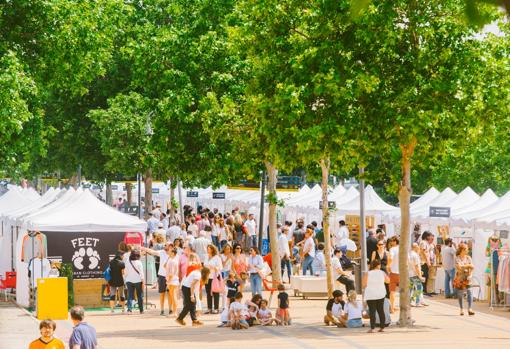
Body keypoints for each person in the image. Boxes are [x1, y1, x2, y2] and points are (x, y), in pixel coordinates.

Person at [142, 244, 173, 315]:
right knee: (162, 293)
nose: (165, 246)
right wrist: (144, 248)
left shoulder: (174, 254)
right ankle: (162, 310)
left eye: (166, 245)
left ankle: (170, 309)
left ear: (171, 247)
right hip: (162, 275)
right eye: (165, 245)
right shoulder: (162, 252)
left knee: (170, 294)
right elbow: (152, 252)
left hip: (171, 276)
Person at [363, 260, 389, 333]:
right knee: (381, 310)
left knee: (372, 311)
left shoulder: (367, 273)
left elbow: (363, 284)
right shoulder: (382, 273)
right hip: (381, 294)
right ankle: (382, 327)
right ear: (378, 265)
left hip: (371, 294)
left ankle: (372, 328)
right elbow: (388, 281)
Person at [455, 243, 475, 316]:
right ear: (462, 250)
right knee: (460, 294)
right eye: (466, 249)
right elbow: (459, 267)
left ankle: (470, 308)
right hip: (460, 278)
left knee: (470, 292)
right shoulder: (457, 258)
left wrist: (470, 274)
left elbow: (472, 267)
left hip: (468, 277)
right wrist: (468, 265)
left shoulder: (469, 258)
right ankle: (461, 309)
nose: (468, 250)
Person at [204, 244, 223, 314]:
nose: (207, 250)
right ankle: (209, 308)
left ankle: (216, 308)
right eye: (207, 248)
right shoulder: (206, 256)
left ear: (212, 249)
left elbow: (220, 267)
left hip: (214, 277)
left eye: (209, 249)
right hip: (207, 277)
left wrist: (214, 267)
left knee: (215, 292)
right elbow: (205, 265)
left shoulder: (217, 257)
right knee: (208, 293)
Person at [125, 250, 144, 314]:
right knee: (139, 295)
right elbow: (141, 273)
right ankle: (141, 310)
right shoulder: (139, 262)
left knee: (130, 295)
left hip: (129, 280)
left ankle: (129, 310)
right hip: (138, 281)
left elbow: (126, 272)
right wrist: (143, 281)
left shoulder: (128, 262)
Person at [409, 243, 427, 307]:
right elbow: (416, 266)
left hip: (409, 274)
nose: (419, 248)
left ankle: (411, 301)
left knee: (411, 289)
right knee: (419, 288)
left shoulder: (409, 254)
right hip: (415, 274)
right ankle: (417, 302)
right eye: (418, 247)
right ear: (415, 247)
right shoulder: (415, 255)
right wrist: (420, 276)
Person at [165, 247, 180, 316]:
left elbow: (171, 273)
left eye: (170, 252)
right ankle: (174, 312)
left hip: (172, 280)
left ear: (173, 253)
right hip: (173, 280)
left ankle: (175, 312)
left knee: (173, 296)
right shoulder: (172, 260)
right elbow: (165, 266)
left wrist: (168, 281)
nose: (168, 253)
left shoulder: (172, 261)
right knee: (173, 296)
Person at [387, 236, 400, 313]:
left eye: (392, 241)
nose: (391, 242)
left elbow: (390, 258)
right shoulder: (402, 249)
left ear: (395, 241)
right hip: (402, 273)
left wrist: (388, 266)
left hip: (393, 272)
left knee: (392, 291)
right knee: (403, 291)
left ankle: (392, 308)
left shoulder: (392, 249)